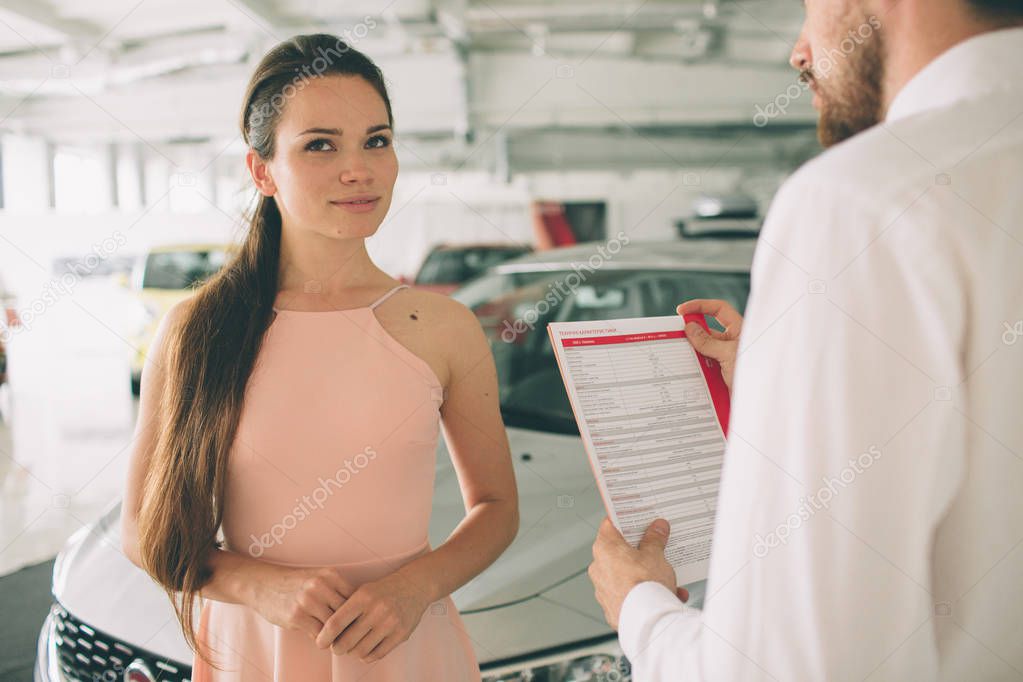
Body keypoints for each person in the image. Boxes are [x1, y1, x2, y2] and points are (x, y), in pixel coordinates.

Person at [588, 1, 1023, 679]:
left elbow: (781, 669)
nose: (798, 52)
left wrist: (639, 607)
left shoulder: (863, 200)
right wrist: (776, 379)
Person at [119, 34, 519, 681]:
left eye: (376, 140)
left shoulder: (440, 326)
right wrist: (253, 584)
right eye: (320, 145)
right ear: (261, 170)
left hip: (401, 647)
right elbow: (140, 531)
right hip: (258, 650)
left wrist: (416, 586)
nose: (357, 168)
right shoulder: (197, 328)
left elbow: (497, 507)